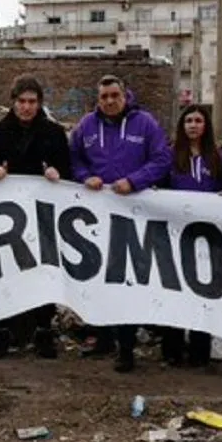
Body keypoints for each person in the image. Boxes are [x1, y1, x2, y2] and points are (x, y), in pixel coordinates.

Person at [69, 74, 173, 373]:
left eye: (115, 95)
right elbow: (74, 159)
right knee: (99, 276)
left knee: (126, 278)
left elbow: (161, 159)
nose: (110, 101)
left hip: (134, 212)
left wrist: (134, 181)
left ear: (125, 96)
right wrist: (84, 177)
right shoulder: (86, 126)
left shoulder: (145, 123)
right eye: (104, 97)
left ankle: (126, 348)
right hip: (98, 214)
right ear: (98, 99)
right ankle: (103, 338)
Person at [0, 75, 72, 360]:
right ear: (13, 102)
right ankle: (0, 331)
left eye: (32, 102)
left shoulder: (54, 133)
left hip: (42, 217)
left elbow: (69, 173)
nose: (27, 107)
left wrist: (57, 174)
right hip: (5, 218)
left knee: (43, 272)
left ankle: (43, 330)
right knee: (3, 271)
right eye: (22, 101)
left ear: (40, 103)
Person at [161, 104, 222, 368]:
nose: (193, 125)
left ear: (206, 125)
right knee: (175, 290)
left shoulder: (217, 157)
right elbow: (159, 188)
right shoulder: (169, 155)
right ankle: (172, 348)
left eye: (198, 120)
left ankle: (200, 349)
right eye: (188, 121)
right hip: (176, 234)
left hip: (207, 237)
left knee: (203, 293)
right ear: (182, 125)